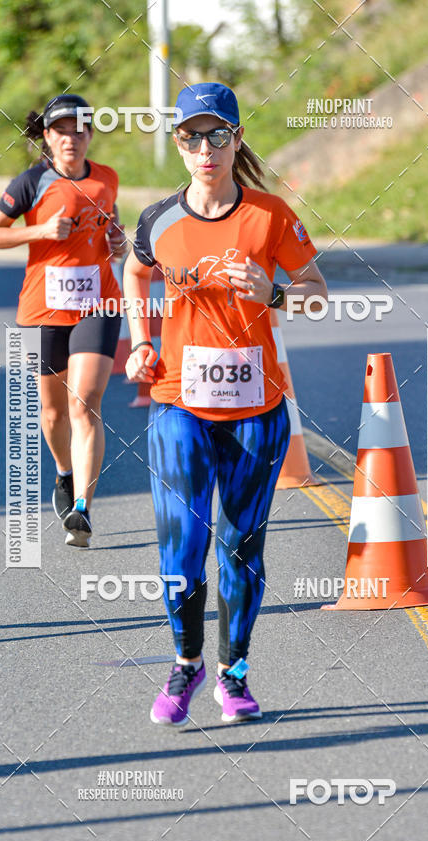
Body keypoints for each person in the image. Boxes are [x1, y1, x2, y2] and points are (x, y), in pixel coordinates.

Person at [123, 81, 328, 726]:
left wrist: (272, 290)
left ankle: (234, 674)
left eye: (217, 135)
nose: (204, 148)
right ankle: (186, 665)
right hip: (178, 405)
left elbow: (318, 295)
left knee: (241, 547)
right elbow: (135, 271)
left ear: (237, 139)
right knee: (181, 548)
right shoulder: (158, 219)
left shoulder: (269, 216)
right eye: (191, 136)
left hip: (256, 412)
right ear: (177, 143)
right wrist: (141, 339)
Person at [0, 94, 126, 547]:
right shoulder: (30, 183)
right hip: (44, 310)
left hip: (98, 303)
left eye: (80, 129)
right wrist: (40, 231)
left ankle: (82, 508)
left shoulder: (107, 179)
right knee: (53, 410)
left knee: (85, 402)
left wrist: (117, 243)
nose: (71, 138)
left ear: (89, 135)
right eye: (61, 130)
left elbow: (110, 229)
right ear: (47, 136)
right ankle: (63, 474)